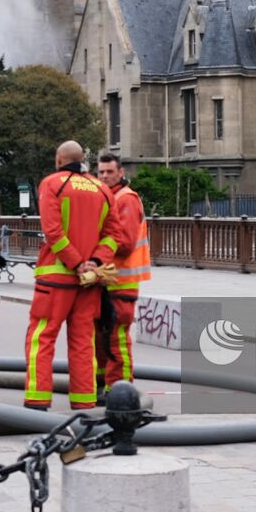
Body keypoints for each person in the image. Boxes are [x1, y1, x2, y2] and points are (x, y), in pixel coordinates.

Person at [24, 141, 121, 411]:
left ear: (59, 159)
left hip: (56, 278)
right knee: (83, 341)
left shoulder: (53, 184)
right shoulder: (102, 189)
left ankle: (37, 400)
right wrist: (95, 263)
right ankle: (84, 401)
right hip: (90, 281)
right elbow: (115, 235)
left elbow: (52, 231)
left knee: (42, 337)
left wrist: (77, 262)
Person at [94, 153, 150, 397]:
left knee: (115, 338)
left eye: (109, 172)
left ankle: (122, 390)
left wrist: (93, 249)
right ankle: (102, 385)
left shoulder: (125, 199)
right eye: (101, 172)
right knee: (101, 337)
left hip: (121, 281)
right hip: (107, 281)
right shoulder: (109, 198)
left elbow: (124, 243)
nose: (104, 176)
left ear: (121, 172)